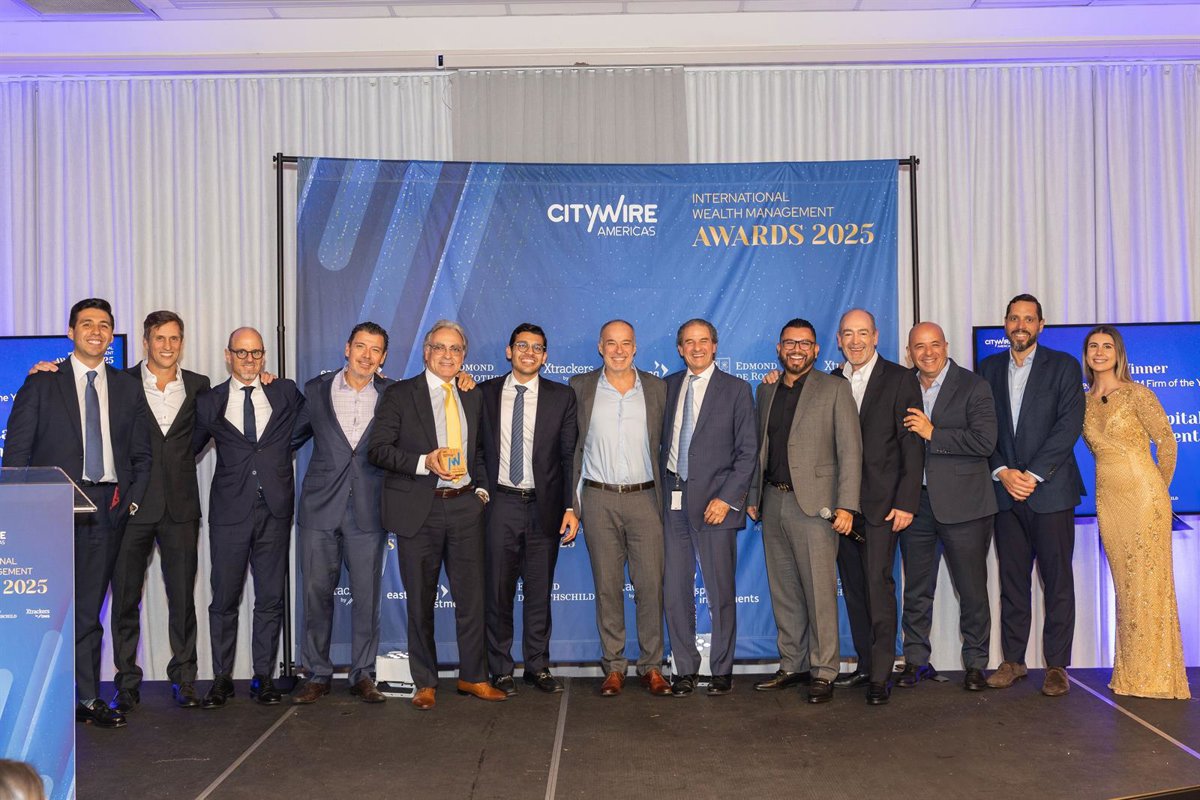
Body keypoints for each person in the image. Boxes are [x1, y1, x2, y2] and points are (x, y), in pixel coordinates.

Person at [3, 298, 151, 729]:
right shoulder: (42, 383)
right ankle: (28, 703)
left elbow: (141, 454)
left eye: (104, 325)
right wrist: (22, 512)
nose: (96, 331)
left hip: (104, 510)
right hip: (48, 512)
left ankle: (86, 698)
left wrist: (128, 501)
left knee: (88, 611)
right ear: (71, 332)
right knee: (41, 611)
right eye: (87, 324)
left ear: (111, 335)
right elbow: (16, 453)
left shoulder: (127, 387)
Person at [367, 320, 505, 710]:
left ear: (464, 356)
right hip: (419, 509)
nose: (447, 355)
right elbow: (378, 449)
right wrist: (424, 462)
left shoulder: (472, 394)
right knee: (420, 601)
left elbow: (481, 450)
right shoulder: (399, 394)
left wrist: (480, 492)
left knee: (472, 600)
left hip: (465, 506)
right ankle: (425, 682)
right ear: (426, 352)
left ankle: (473, 676)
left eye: (455, 349)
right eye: (440, 347)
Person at [747, 318, 862, 704]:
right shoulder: (766, 390)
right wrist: (754, 495)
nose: (796, 349)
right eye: (789, 343)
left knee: (819, 593)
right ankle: (792, 664)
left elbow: (850, 451)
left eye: (804, 343)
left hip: (816, 507)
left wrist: (847, 505)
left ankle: (825, 669)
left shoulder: (835, 389)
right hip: (773, 501)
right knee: (785, 592)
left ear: (816, 350)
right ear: (779, 349)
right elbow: (760, 448)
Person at [191, 327, 306, 709]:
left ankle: (263, 677)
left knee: (270, 598)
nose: (249, 360)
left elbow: (310, 420)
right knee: (224, 598)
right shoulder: (209, 401)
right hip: (229, 512)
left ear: (264, 355)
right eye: (241, 353)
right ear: (228, 355)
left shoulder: (284, 391)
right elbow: (186, 447)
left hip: (275, 510)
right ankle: (222, 678)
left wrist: (277, 453)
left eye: (255, 353)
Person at [979, 295, 1084, 697]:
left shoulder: (1064, 366)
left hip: (1051, 492)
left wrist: (1033, 475)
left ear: (1041, 324)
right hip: (1005, 494)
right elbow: (982, 429)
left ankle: (1057, 666)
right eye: (1014, 318)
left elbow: (1068, 426)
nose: (1020, 325)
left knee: (1057, 583)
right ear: (1005, 323)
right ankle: (1013, 661)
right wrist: (1003, 471)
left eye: (1028, 318)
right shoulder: (988, 369)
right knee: (1011, 582)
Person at [1081, 325, 1190, 700]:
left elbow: (1167, 441)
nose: (1099, 352)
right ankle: (1130, 673)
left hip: (1144, 498)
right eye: (1093, 346)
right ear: (1086, 355)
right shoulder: (1084, 402)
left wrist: (1158, 490)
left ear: (1118, 354)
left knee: (1148, 585)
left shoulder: (1137, 393)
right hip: (1109, 501)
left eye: (1107, 346)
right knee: (1125, 587)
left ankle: (1156, 677)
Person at [290, 322, 393, 706]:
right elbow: (289, 435)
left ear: (383, 357)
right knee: (315, 595)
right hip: (319, 508)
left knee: (367, 599)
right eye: (361, 346)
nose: (367, 355)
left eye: (375, 349)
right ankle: (316, 673)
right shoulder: (316, 390)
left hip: (369, 510)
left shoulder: (393, 394)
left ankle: (363, 673)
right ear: (347, 348)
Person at [569, 319, 670, 697]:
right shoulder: (580, 387)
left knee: (650, 587)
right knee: (608, 587)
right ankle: (613, 666)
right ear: (600, 347)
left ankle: (652, 666)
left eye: (625, 343)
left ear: (635, 347)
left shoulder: (658, 388)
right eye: (611, 343)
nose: (618, 350)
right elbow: (571, 450)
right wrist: (572, 504)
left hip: (646, 499)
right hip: (599, 499)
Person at [828, 309, 923, 705]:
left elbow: (912, 445)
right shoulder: (831, 380)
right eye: (848, 334)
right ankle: (865, 665)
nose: (856, 341)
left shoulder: (900, 379)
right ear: (838, 340)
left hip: (883, 507)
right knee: (853, 590)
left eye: (862, 333)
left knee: (878, 588)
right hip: (841, 509)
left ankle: (882, 674)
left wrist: (906, 502)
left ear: (876, 336)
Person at [896, 322, 997, 692]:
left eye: (934, 344)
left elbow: (985, 442)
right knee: (916, 590)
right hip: (916, 505)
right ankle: (915, 661)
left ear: (946, 346)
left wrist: (933, 433)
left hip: (965, 506)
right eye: (919, 347)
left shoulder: (974, 385)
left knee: (971, 591)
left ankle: (976, 664)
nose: (928, 353)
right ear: (909, 352)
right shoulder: (902, 385)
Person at [479, 323, 579, 696]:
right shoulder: (485, 393)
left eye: (537, 347)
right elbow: (476, 449)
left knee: (539, 593)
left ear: (545, 356)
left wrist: (570, 505)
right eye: (522, 345)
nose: (529, 352)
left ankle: (537, 666)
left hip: (544, 507)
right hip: (499, 504)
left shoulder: (561, 397)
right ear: (509, 351)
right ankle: (500, 669)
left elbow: (568, 456)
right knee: (498, 592)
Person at [661, 319, 757, 697]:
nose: (697, 348)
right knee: (675, 590)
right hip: (673, 499)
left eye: (703, 341)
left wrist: (727, 499)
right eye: (689, 342)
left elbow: (748, 452)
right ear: (680, 349)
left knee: (720, 592)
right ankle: (684, 668)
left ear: (715, 346)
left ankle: (721, 670)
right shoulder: (667, 387)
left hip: (717, 503)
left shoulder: (736, 389)